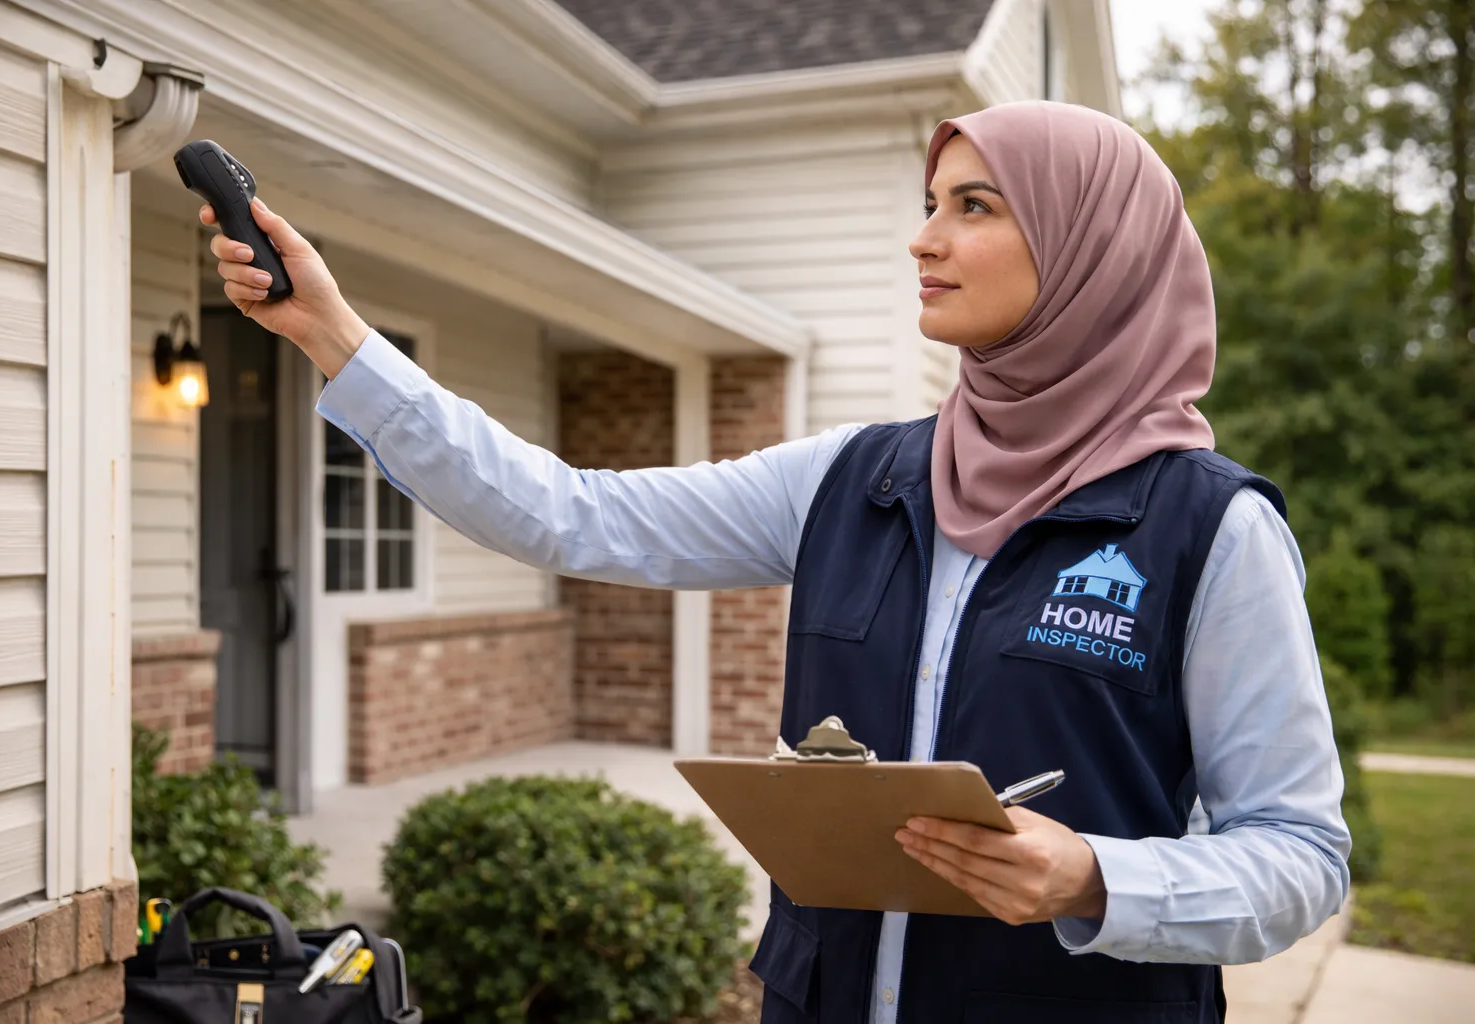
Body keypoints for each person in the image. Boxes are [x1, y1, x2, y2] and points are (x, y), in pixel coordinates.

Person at [201, 101, 1350, 1024]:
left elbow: (1301, 855)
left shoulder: (1209, 528)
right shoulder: (853, 476)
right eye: (927, 204)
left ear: (1095, 252)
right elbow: (570, 516)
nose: (924, 237)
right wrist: (337, 341)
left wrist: (1101, 878)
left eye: (975, 206)